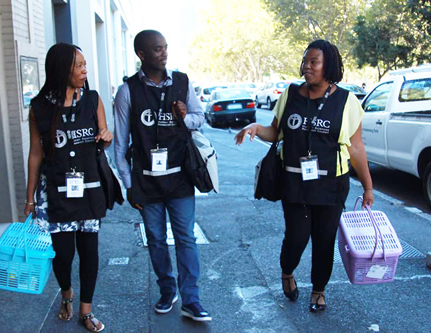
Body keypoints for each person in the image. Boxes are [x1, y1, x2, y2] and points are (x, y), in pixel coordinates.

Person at [234, 40, 374, 312]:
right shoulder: (291, 94)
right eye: (305, 61)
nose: (306, 67)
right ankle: (287, 272)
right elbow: (276, 132)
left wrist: (368, 187)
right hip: (294, 181)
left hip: (332, 184)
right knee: (296, 238)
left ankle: (319, 291)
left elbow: (356, 147)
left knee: (324, 241)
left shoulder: (347, 101)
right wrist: (256, 128)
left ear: (328, 66)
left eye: (314, 62)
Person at [113, 30, 211, 322]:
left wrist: (185, 116)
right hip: (146, 180)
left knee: (186, 238)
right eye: (157, 49)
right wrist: (128, 186)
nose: (164, 53)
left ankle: (191, 299)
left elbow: (198, 119)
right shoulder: (127, 90)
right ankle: (167, 290)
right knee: (156, 240)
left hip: (180, 177)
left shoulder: (182, 82)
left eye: (165, 48)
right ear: (141, 54)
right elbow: (120, 144)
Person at [25, 43, 113, 332]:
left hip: (88, 187)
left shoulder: (92, 100)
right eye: (79, 65)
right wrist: (29, 199)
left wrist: (106, 134)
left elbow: (105, 135)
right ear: (62, 68)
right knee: (62, 255)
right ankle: (66, 294)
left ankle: (86, 311)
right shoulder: (39, 108)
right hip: (55, 192)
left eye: (85, 64)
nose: (84, 70)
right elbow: (35, 153)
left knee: (89, 252)